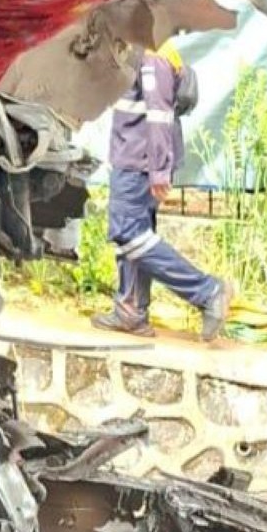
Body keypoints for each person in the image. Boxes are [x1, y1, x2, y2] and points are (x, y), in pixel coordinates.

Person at [91, 45, 232, 341]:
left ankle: (207, 291)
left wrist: (158, 168)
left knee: (127, 232)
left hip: (138, 160)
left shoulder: (154, 55)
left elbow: (159, 116)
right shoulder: (141, 50)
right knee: (138, 236)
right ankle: (130, 310)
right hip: (132, 157)